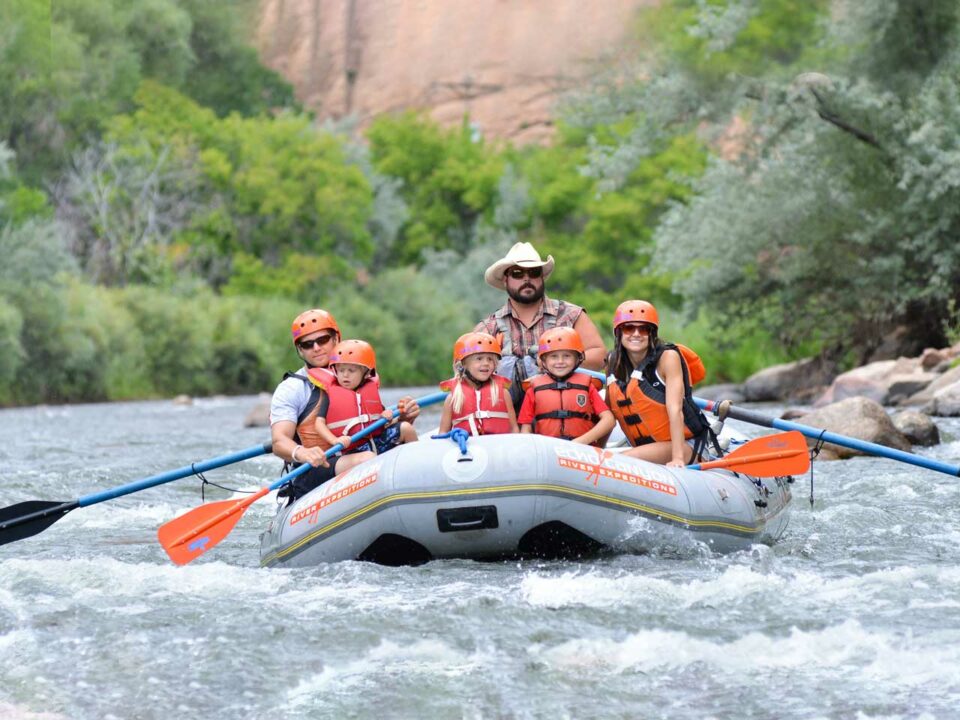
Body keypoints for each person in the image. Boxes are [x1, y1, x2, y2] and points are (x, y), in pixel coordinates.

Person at [269, 309, 420, 503]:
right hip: (318, 466)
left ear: (336, 339)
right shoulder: (292, 388)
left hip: (363, 449)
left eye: (322, 340)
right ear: (300, 350)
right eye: (307, 344)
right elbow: (279, 441)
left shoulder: (359, 374)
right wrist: (303, 453)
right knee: (365, 459)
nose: (316, 348)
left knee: (402, 431)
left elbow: (374, 424)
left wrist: (406, 417)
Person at [474, 242, 606, 410]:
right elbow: (463, 368)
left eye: (534, 272)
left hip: (566, 413)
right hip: (508, 422)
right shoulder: (488, 327)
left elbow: (599, 355)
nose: (526, 278)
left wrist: (558, 363)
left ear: (541, 277)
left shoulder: (572, 315)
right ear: (505, 280)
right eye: (517, 273)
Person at [604, 300, 714, 467]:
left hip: (686, 446)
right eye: (628, 328)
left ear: (652, 333)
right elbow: (609, 415)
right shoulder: (613, 361)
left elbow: (675, 410)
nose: (636, 334)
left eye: (643, 329)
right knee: (607, 458)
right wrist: (594, 451)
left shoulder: (667, 358)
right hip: (648, 448)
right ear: (618, 333)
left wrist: (677, 458)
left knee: (616, 460)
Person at [309, 339, 417, 475]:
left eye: (351, 370)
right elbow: (319, 424)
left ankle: (415, 469)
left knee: (406, 428)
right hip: (353, 450)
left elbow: (381, 417)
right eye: (341, 370)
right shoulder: (329, 394)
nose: (345, 375)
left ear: (366, 373)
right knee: (368, 458)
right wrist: (335, 440)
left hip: (378, 442)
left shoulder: (369, 389)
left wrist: (386, 416)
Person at [518, 327, 615, 447]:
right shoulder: (534, 388)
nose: (560, 361)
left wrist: (579, 442)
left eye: (567, 356)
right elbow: (525, 429)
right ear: (543, 360)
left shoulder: (587, 386)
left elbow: (609, 420)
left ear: (577, 358)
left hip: (582, 451)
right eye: (554, 356)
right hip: (549, 452)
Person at [438, 332, 519, 435]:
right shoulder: (452, 399)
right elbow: (443, 433)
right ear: (463, 364)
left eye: (490, 359)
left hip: (498, 448)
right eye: (479, 359)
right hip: (468, 449)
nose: (486, 363)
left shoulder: (504, 394)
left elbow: (514, 429)